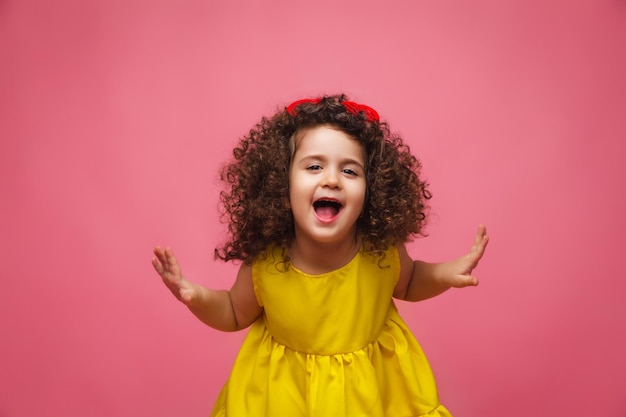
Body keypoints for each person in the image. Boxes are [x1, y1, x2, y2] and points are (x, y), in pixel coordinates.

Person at [152, 94, 489, 417]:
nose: (331, 180)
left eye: (350, 171)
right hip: (284, 398)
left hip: (373, 394)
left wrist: (447, 273)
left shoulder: (380, 249)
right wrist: (195, 297)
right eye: (314, 167)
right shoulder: (267, 262)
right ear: (280, 184)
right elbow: (233, 313)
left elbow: (411, 280)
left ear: (373, 190)